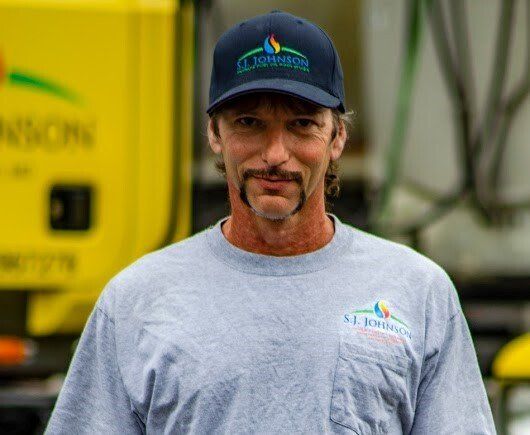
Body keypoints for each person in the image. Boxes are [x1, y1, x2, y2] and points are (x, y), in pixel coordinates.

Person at [46, 10, 496, 434]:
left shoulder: (417, 292)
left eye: (302, 124)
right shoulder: (137, 302)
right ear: (214, 135)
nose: (276, 154)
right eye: (249, 123)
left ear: (337, 137)